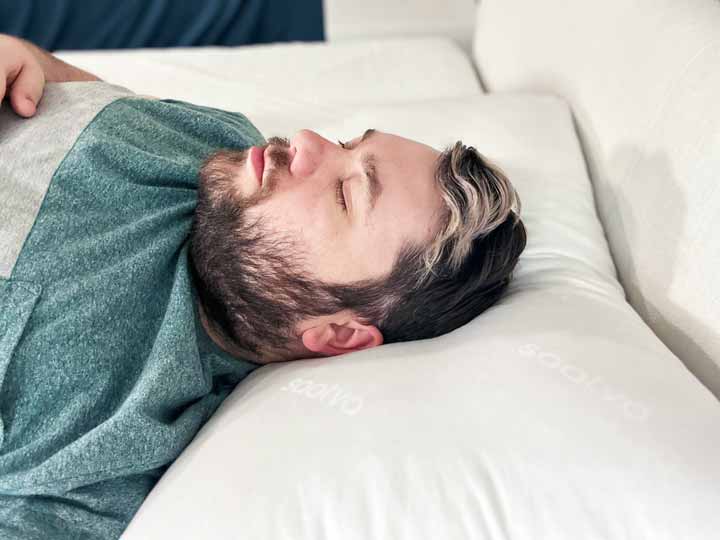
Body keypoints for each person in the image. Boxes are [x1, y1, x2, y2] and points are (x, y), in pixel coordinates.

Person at [0, 34, 526, 538]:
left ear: (341, 335)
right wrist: (27, 58)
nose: (305, 143)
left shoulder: (112, 435)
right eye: (344, 143)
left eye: (345, 194)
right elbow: (66, 91)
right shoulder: (219, 146)